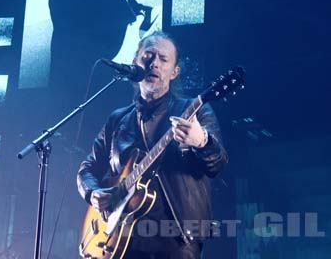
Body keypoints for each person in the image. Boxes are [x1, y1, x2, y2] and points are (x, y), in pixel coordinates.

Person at [77, 31, 228, 258]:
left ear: (174, 72)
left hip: (176, 239)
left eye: (163, 59)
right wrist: (92, 192)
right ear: (134, 63)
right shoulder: (118, 119)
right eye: (148, 56)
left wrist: (201, 141)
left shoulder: (196, 111)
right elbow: (88, 167)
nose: (154, 63)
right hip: (119, 237)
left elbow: (218, 165)